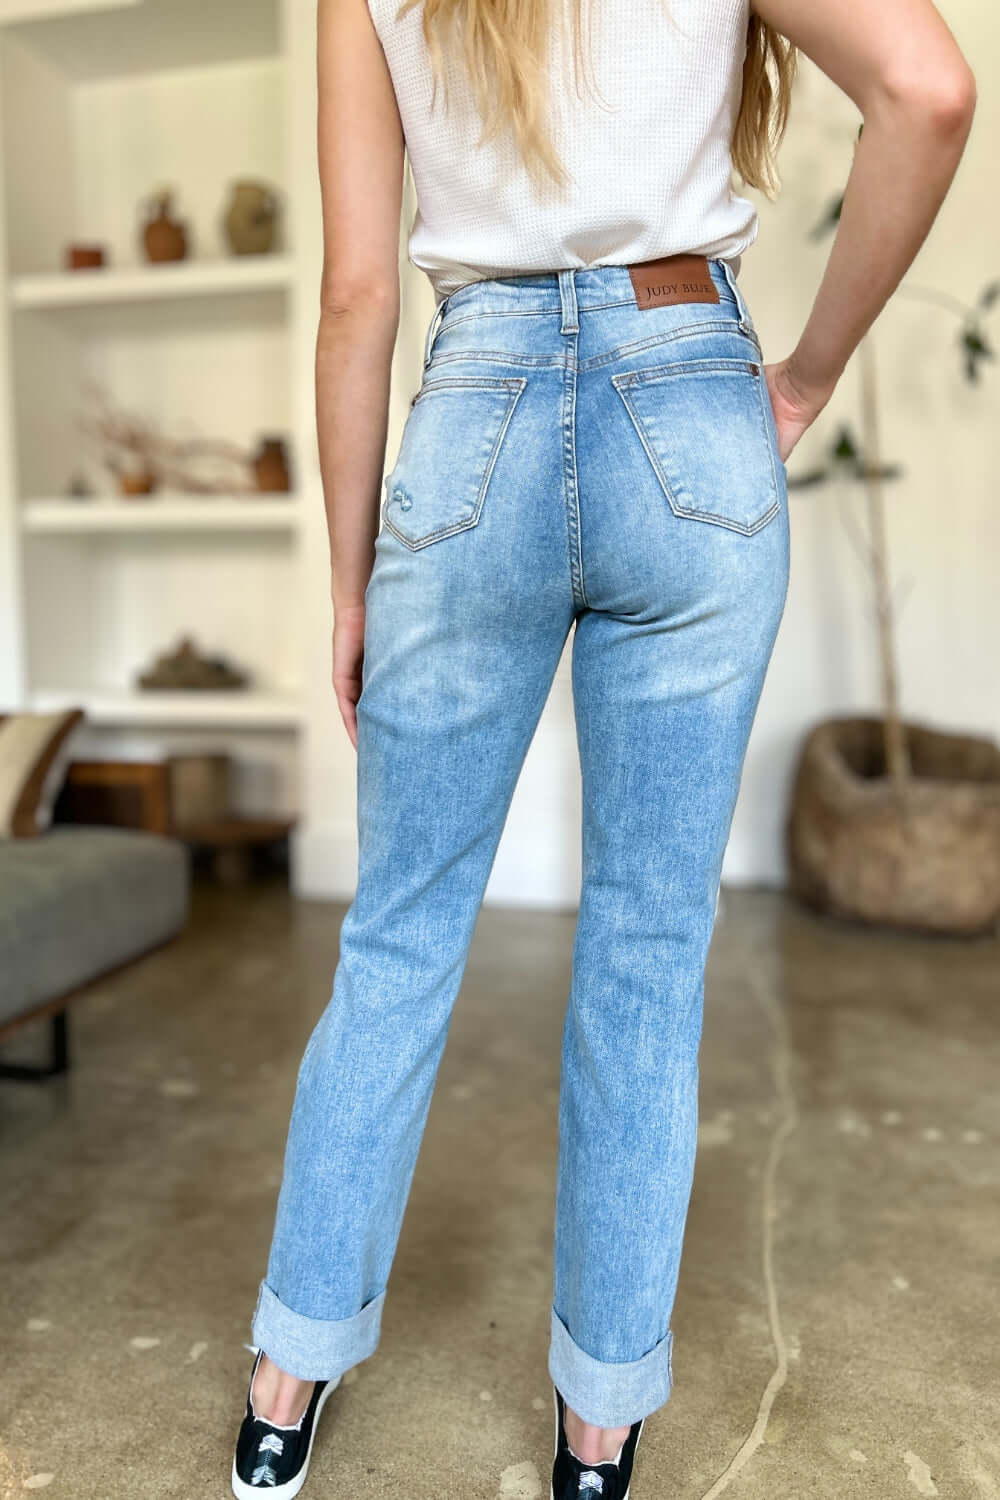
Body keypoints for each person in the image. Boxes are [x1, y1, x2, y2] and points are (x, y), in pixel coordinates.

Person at [230, 0, 976, 1494]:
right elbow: (931, 90)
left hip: (474, 417)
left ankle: (282, 1391)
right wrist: (811, 374)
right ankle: (598, 1434)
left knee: (395, 938)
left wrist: (347, 575)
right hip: (689, 394)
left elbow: (361, 296)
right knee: (649, 948)